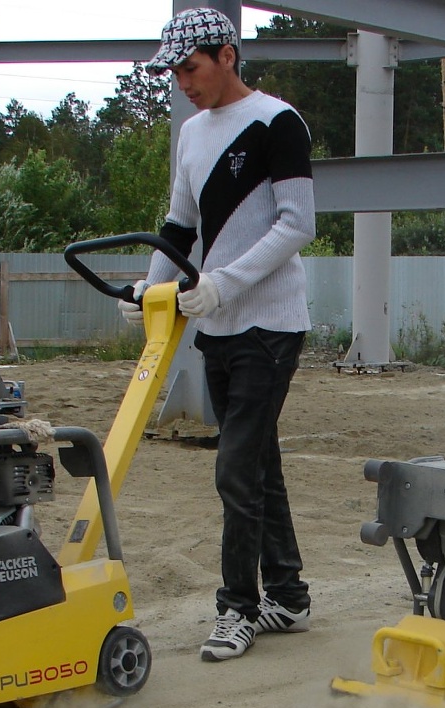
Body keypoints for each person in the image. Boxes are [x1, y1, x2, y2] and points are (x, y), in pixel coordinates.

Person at [121, 7, 315, 662]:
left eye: (189, 66)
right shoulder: (194, 136)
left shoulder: (277, 123)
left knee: (235, 465)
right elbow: (178, 227)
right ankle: (287, 595)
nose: (181, 81)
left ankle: (237, 608)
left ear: (226, 54)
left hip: (271, 323)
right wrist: (149, 290)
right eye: (173, 71)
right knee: (258, 461)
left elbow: (296, 224)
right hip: (219, 321)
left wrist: (224, 282)